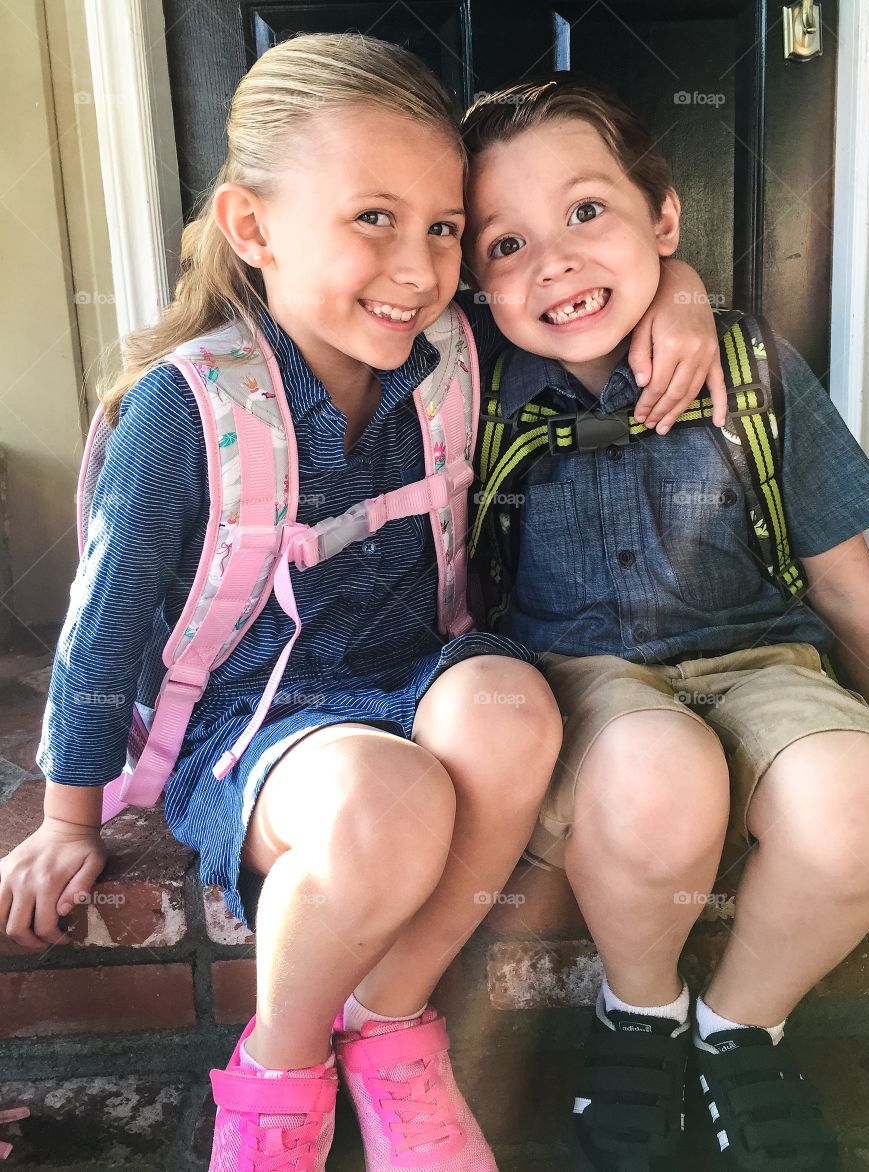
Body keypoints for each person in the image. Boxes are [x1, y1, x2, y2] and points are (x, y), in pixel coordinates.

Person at [0, 38, 721, 1171]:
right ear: (253, 227)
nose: (418, 268)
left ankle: (390, 1027)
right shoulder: (187, 410)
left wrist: (682, 290)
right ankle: (279, 1077)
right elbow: (107, 621)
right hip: (253, 718)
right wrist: (68, 819)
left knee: (513, 711)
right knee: (388, 801)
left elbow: (574, 290)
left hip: (416, 669)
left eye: (443, 228)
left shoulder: (448, 350)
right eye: (372, 219)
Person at [461, 73, 869, 1171]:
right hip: (586, 683)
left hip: (764, 660)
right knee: (656, 772)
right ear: (475, 284)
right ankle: (642, 1009)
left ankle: (740, 1025)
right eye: (507, 243)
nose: (555, 262)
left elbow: (842, 579)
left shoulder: (753, 366)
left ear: (664, 217)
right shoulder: (471, 389)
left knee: (863, 793)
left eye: (587, 210)